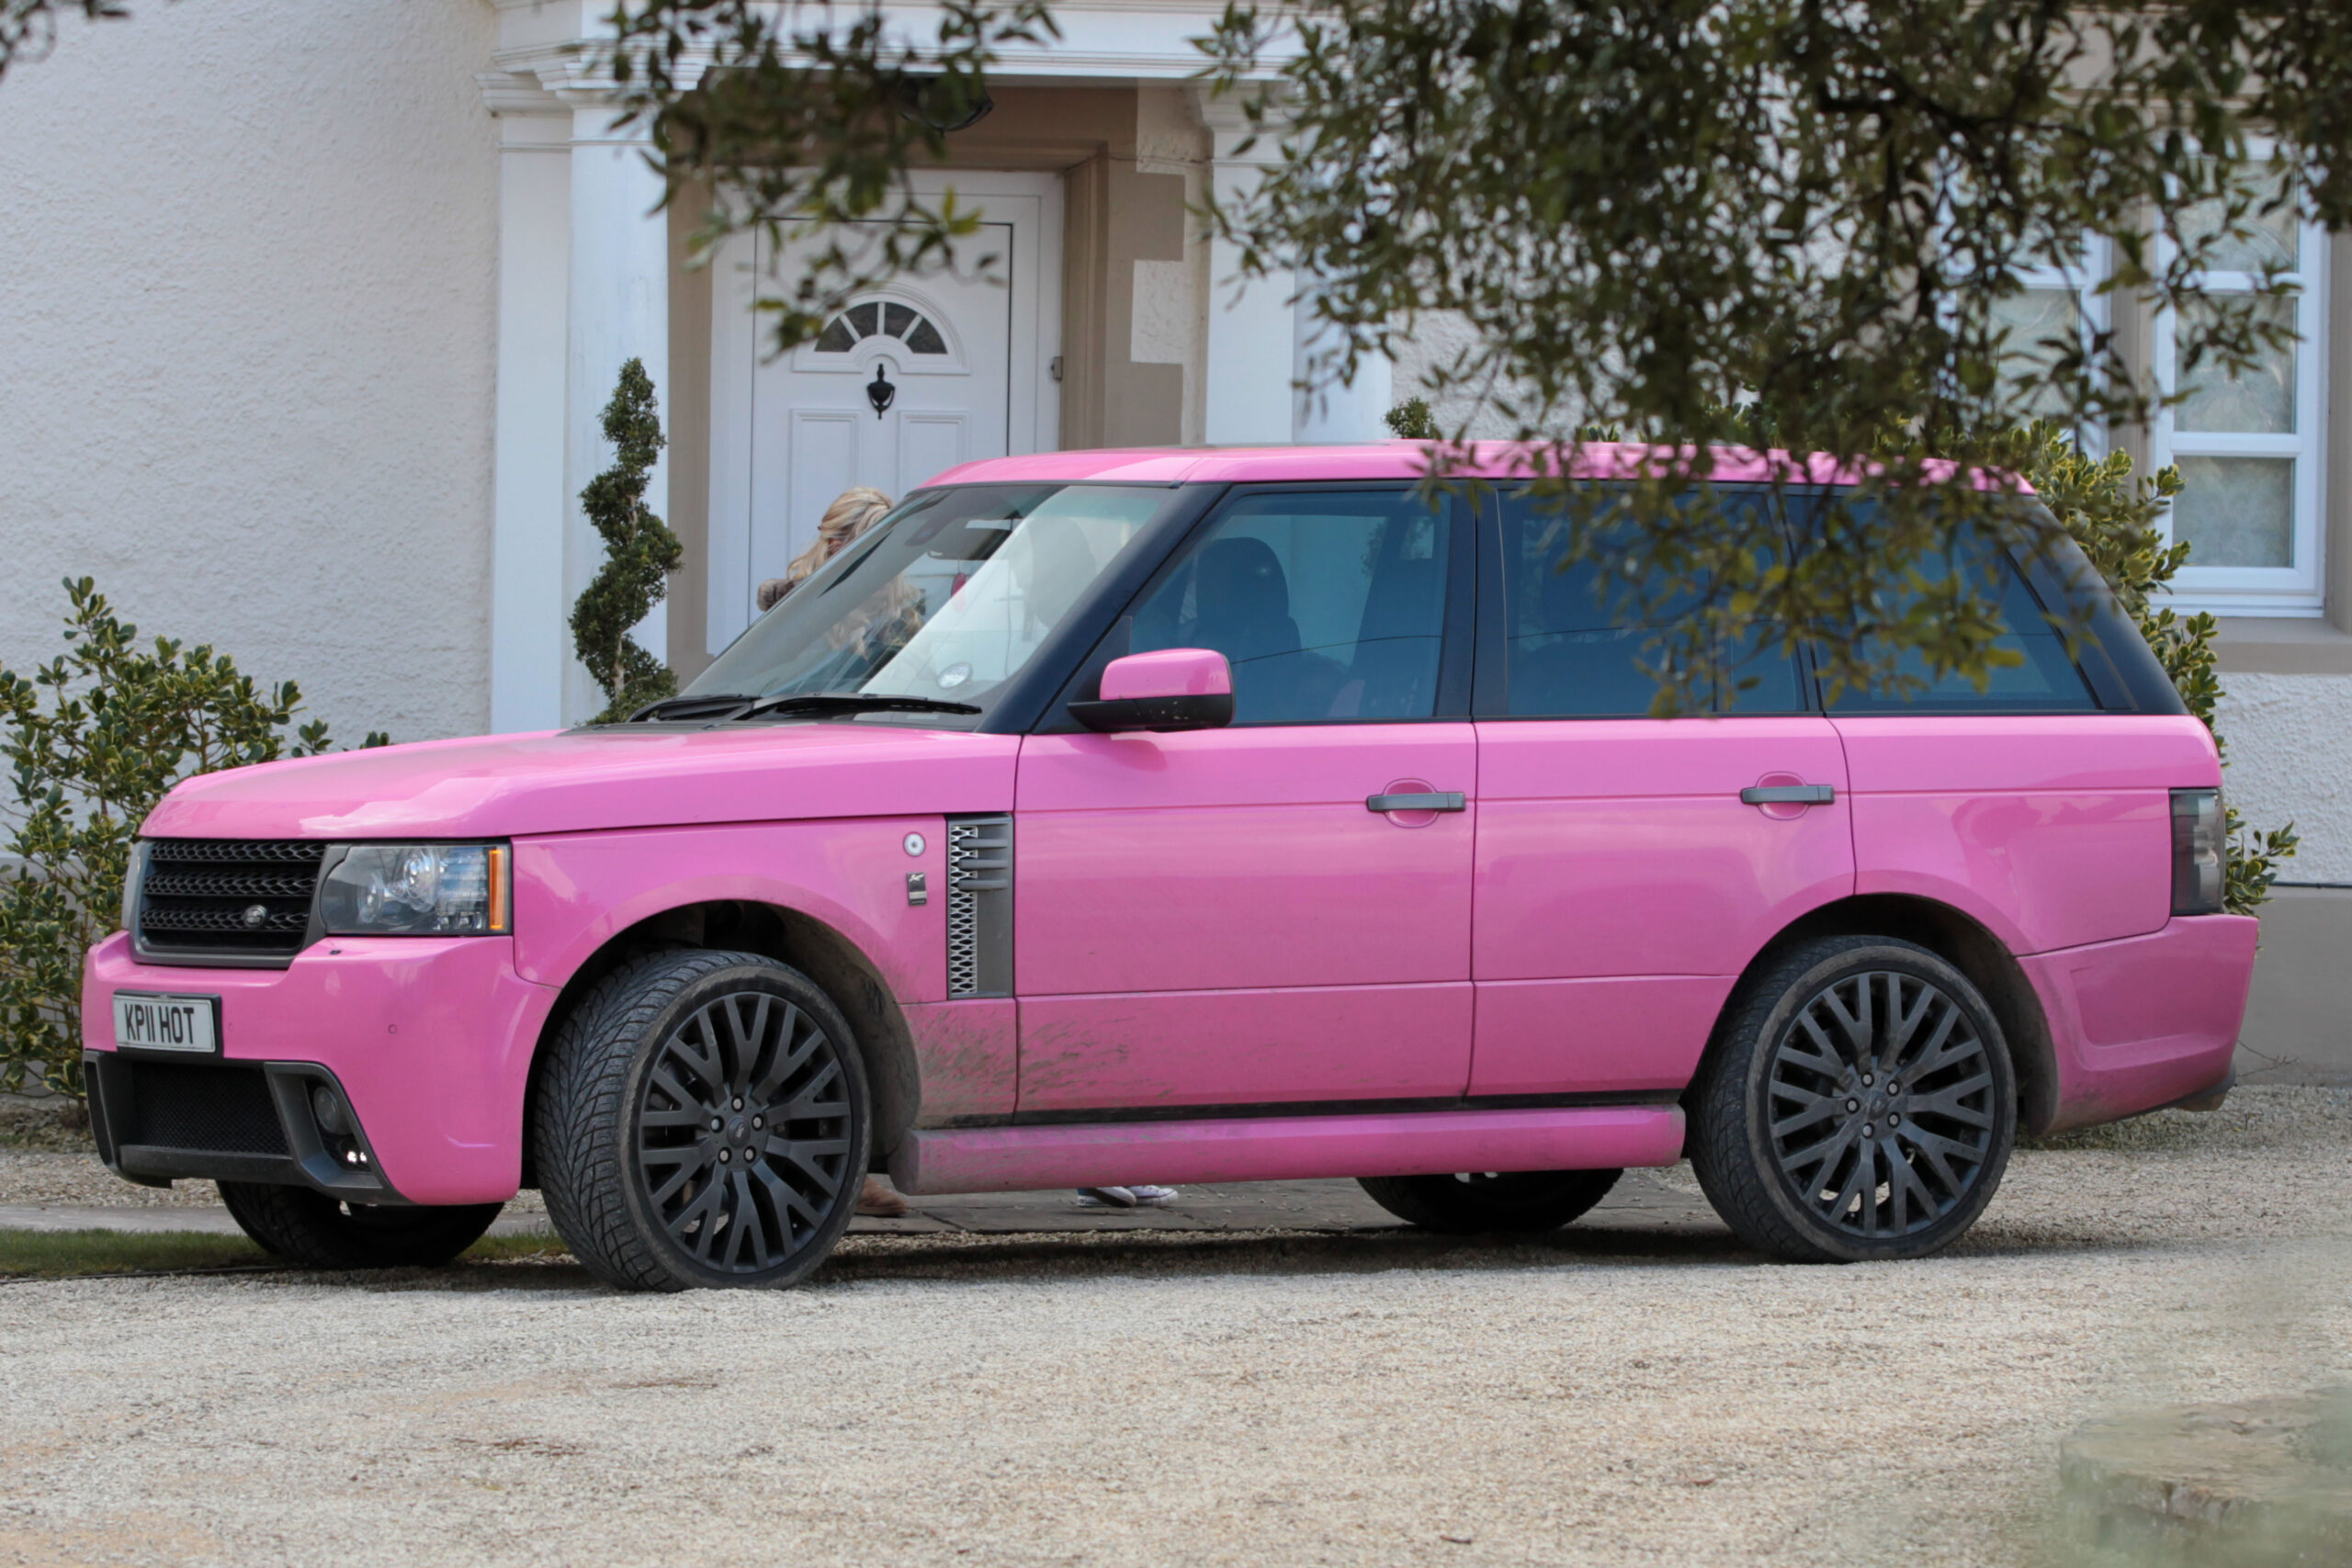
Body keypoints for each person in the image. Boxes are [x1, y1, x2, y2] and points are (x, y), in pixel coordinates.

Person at [755, 486, 894, 613]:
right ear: (836, 547)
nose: (883, 563)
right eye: (872, 551)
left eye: (888, 549)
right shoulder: (799, 611)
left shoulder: (902, 610)